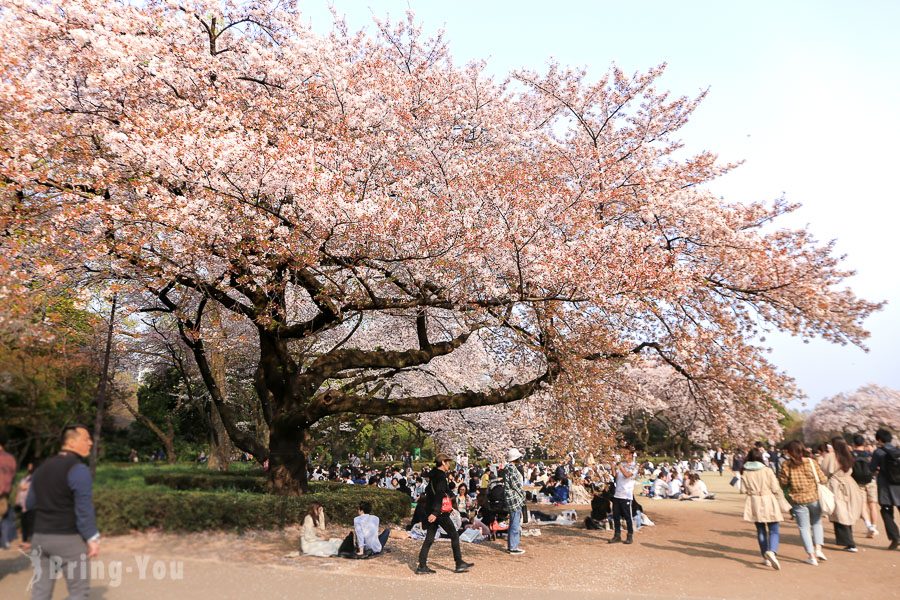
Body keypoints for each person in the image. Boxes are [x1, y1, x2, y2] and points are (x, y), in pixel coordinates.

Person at [26, 425, 100, 599]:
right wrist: (92, 538)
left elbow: (29, 503)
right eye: (86, 439)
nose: (90, 443)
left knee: (40, 592)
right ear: (72, 442)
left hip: (39, 538)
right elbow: (84, 509)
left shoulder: (41, 468)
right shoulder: (78, 470)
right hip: (68, 540)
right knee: (78, 593)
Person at [416, 454, 473, 574]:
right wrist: (436, 512)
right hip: (439, 513)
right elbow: (439, 495)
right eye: (447, 462)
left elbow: (431, 492)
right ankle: (459, 563)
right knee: (454, 535)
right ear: (442, 463)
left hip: (432, 510)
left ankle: (422, 565)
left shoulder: (433, 475)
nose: (449, 465)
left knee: (429, 539)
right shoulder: (441, 477)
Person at [778, 439, 827, 565]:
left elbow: (783, 483)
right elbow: (823, 479)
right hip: (814, 498)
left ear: (789, 452)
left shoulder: (786, 465)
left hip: (798, 500)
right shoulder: (811, 462)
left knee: (804, 528)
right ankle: (818, 549)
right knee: (816, 523)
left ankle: (811, 556)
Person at [740, 447, 790, 569]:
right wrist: (784, 502)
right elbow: (775, 488)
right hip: (768, 499)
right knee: (774, 529)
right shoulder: (767, 470)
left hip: (754, 501)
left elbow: (743, 490)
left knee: (760, 530)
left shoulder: (745, 472)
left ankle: (765, 556)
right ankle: (772, 551)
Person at [824, 438, 864, 552]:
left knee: (840, 513)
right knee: (846, 512)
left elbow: (825, 470)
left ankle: (849, 542)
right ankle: (844, 540)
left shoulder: (831, 456)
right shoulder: (848, 455)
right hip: (850, 484)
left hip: (836, 485)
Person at [871, 428, 900, 550]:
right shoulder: (898, 451)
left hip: (885, 487)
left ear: (879, 439)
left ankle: (895, 538)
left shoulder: (878, 452)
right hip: (899, 485)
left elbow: (871, 468)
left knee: (886, 511)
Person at [851, 434, 880, 538]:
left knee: (862, 505)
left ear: (853, 443)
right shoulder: (869, 454)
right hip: (871, 480)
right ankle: (874, 527)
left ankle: (869, 527)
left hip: (858, 483)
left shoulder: (851, 454)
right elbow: (876, 468)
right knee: (872, 505)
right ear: (863, 443)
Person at [609, 448, 637, 545]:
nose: (624, 455)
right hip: (617, 494)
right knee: (615, 516)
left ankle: (630, 535)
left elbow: (627, 475)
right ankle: (617, 535)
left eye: (626, 454)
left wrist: (620, 466)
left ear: (631, 455)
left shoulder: (634, 466)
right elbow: (616, 476)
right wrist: (612, 466)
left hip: (626, 495)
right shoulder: (623, 465)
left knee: (627, 516)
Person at [503, 448, 526, 555]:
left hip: (511, 497)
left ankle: (512, 545)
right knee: (515, 523)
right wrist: (523, 494)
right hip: (514, 498)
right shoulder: (511, 468)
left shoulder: (508, 467)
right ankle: (513, 547)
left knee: (513, 521)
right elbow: (516, 484)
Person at [0, 434, 18, 550]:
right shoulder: (10, 458)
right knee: (5, 517)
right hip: (5, 494)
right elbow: (13, 476)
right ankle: (5, 541)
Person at [15, 462, 36, 551]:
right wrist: (17, 499)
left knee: (30, 522)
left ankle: (30, 542)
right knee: (24, 523)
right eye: (28, 466)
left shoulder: (35, 478)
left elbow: (23, 487)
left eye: (30, 466)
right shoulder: (26, 477)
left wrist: (22, 486)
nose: (29, 468)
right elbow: (20, 488)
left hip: (31, 504)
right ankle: (24, 540)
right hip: (23, 503)